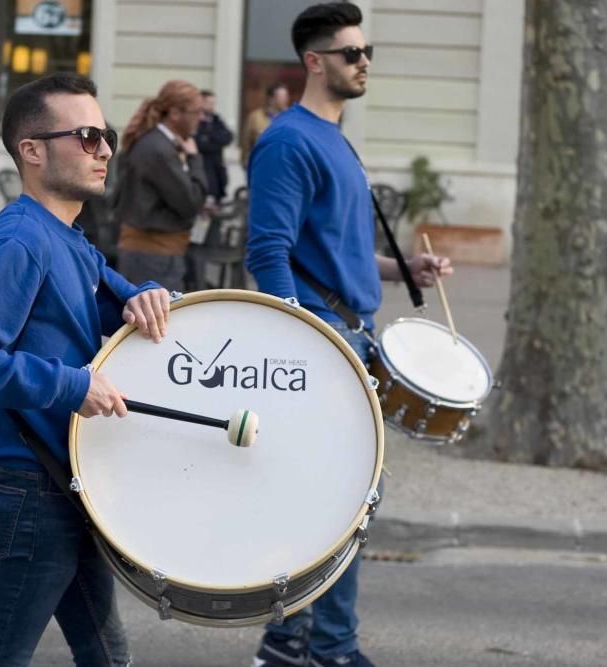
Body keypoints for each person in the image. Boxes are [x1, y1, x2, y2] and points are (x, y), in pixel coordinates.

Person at [0, 73, 171, 667]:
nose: (106, 150)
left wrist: (148, 292)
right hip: (30, 488)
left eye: (105, 135)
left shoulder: (69, 238)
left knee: (107, 652)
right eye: (87, 137)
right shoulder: (20, 240)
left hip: (66, 477)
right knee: (0, 657)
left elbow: (119, 295)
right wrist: (72, 385)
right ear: (32, 151)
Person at [244, 5, 452, 667]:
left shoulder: (336, 137)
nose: (364, 62)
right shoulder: (289, 140)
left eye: (367, 51)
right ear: (314, 61)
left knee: (334, 499)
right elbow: (268, 253)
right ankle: (330, 648)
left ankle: (289, 641)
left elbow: (343, 249)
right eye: (350, 53)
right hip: (324, 339)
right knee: (346, 497)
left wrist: (401, 267)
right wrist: (305, 344)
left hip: (351, 334)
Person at [114, 80, 207, 291]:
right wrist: (194, 159)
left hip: (152, 255)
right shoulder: (158, 149)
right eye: (196, 112)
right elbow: (191, 202)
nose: (201, 118)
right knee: (159, 322)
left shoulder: (154, 142)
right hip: (153, 257)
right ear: (174, 113)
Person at [195, 89, 234, 203]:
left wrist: (209, 136)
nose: (212, 106)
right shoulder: (195, 121)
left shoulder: (216, 120)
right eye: (209, 103)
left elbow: (228, 137)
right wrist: (215, 141)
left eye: (213, 103)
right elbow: (199, 143)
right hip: (202, 169)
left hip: (217, 171)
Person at [241, 82, 290, 169]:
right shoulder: (255, 117)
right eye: (281, 97)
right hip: (261, 166)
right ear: (271, 99)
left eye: (286, 97)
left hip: (284, 168)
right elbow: (246, 143)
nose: (285, 100)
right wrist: (246, 163)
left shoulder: (291, 118)